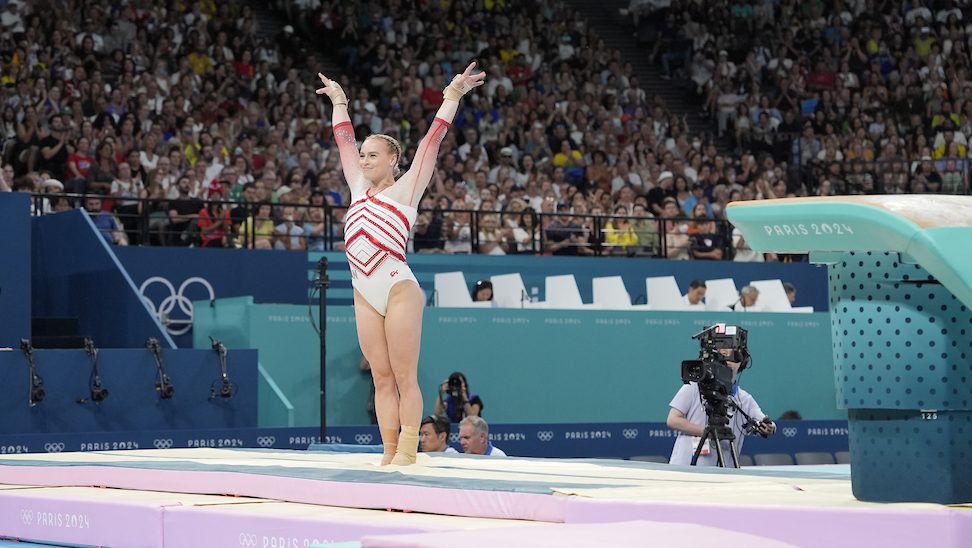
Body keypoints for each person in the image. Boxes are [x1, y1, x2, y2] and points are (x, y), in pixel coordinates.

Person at [316, 62, 486, 466]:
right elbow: (343, 141)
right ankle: (389, 453)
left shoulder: (408, 189)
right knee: (381, 377)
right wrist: (340, 102)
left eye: (373, 154)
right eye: (363, 155)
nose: (364, 159)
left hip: (396, 285)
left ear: (394, 159)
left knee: (405, 376)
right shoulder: (357, 187)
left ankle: (408, 453)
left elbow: (431, 141)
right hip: (362, 289)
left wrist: (452, 96)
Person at [667, 335, 776, 466]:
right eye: (723, 355)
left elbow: (766, 424)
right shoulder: (695, 386)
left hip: (724, 473)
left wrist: (770, 427)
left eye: (733, 356)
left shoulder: (745, 399)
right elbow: (673, 420)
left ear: (742, 361)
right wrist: (707, 432)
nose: (728, 360)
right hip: (686, 469)